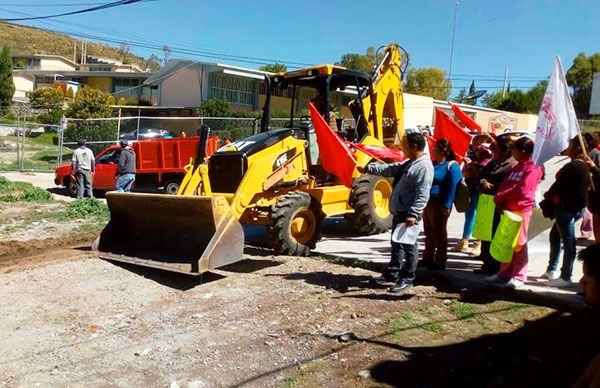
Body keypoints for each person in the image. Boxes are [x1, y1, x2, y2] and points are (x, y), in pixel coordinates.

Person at [363, 132, 434, 293]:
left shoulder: (423, 166)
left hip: (408, 214)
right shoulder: (410, 162)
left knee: (409, 246)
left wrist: (413, 214)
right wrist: (368, 168)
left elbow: (423, 193)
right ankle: (392, 273)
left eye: (405, 144)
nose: (402, 148)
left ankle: (407, 278)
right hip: (400, 212)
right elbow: (390, 169)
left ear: (414, 146)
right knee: (396, 244)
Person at [485, 136, 543, 289]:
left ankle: (518, 275)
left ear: (523, 151)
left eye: (514, 150)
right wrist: (501, 201)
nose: (512, 153)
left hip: (521, 210)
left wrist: (500, 197)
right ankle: (504, 272)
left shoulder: (533, 168)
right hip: (508, 209)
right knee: (507, 242)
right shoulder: (517, 166)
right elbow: (506, 184)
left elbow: (522, 189)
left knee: (519, 244)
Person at [542, 136, 591, 287]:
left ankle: (565, 276)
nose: (566, 147)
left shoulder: (575, 166)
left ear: (577, 147)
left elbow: (563, 188)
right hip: (570, 208)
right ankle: (552, 269)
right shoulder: (581, 165)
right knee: (555, 236)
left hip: (566, 208)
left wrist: (552, 198)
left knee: (568, 241)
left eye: (570, 144)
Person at [473, 134, 517, 275]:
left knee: (495, 235)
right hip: (487, 203)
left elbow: (508, 185)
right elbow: (482, 175)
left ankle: (496, 266)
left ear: (506, 152)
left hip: (499, 204)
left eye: (497, 150)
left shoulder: (511, 165)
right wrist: (483, 182)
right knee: (485, 234)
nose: (494, 153)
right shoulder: (493, 162)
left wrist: (494, 188)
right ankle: (486, 264)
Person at [420, 139, 462, 271]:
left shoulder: (452, 166)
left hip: (440, 204)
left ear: (443, 150)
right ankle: (427, 258)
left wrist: (447, 204)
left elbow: (453, 186)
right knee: (429, 232)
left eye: (436, 148)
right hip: (428, 202)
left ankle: (440, 261)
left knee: (439, 233)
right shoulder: (432, 164)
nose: (433, 150)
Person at [451, 135, 493, 255]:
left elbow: (482, 175)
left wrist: (472, 166)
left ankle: (478, 243)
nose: (477, 144)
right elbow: (465, 170)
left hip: (480, 188)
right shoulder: (471, 154)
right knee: (469, 214)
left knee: (480, 215)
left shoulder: (487, 157)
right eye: (476, 141)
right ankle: (464, 240)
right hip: (471, 187)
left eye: (481, 141)